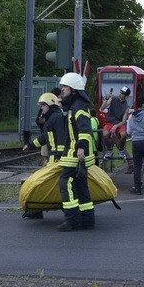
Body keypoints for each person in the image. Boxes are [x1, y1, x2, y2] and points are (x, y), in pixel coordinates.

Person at [56, 72, 96, 231]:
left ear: (73, 89)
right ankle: (87, 219)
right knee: (80, 185)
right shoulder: (75, 105)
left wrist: (81, 148)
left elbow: (85, 130)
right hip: (75, 152)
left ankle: (72, 220)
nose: (62, 89)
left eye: (65, 87)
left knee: (65, 183)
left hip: (76, 153)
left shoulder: (78, 107)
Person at [22, 92, 67, 219]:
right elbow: (44, 138)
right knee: (45, 184)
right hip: (53, 157)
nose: (42, 108)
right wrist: (29, 146)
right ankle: (37, 210)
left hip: (57, 158)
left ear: (50, 105)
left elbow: (61, 137)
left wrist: (59, 156)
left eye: (43, 105)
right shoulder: (51, 118)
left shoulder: (57, 118)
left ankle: (37, 210)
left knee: (45, 184)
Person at [100, 86, 132, 171]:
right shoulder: (113, 99)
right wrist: (106, 98)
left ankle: (121, 150)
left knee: (123, 134)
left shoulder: (126, 106)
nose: (121, 94)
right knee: (105, 134)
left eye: (123, 94)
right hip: (109, 122)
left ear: (126, 96)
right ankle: (110, 150)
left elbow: (124, 121)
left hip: (118, 124)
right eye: (121, 92)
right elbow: (102, 108)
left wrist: (116, 126)